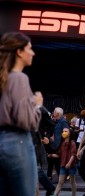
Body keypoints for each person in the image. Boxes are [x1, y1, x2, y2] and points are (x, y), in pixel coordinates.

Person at [0, 32, 43, 195]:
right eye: (30, 48)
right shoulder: (19, 79)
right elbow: (26, 121)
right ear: (19, 52)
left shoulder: (4, 79)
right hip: (18, 143)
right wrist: (38, 106)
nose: (33, 53)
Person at [43, 107, 70, 181]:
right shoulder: (56, 121)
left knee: (56, 160)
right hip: (54, 144)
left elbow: (66, 131)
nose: (53, 113)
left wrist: (65, 133)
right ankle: (52, 176)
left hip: (59, 145)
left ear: (57, 114)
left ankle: (61, 176)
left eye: (54, 112)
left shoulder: (63, 121)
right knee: (52, 159)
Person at [54, 127, 77, 196]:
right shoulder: (62, 143)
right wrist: (51, 155)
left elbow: (73, 154)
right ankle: (55, 194)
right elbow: (59, 154)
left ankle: (74, 195)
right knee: (60, 182)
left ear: (69, 133)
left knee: (72, 181)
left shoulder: (72, 143)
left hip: (71, 165)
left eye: (66, 131)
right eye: (63, 131)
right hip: (63, 165)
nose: (64, 133)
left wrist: (69, 163)